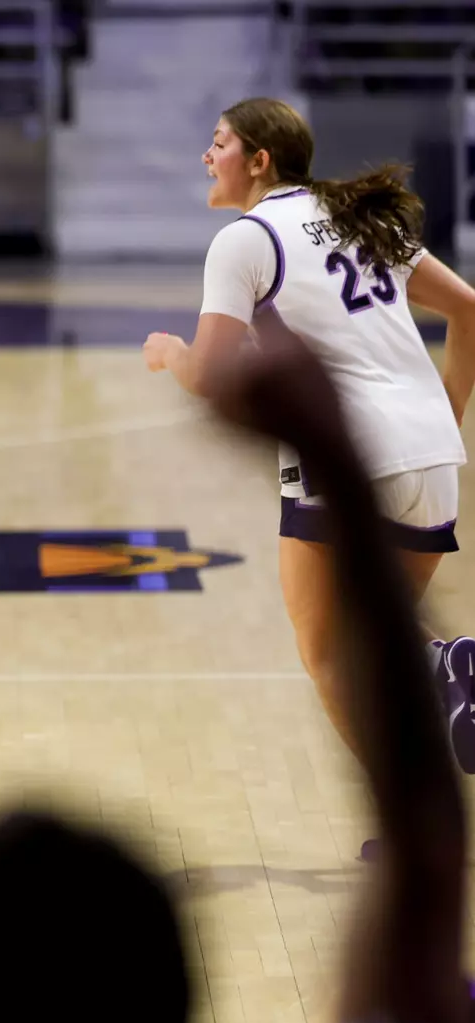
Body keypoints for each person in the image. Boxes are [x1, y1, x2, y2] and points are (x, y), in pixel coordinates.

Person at [0, 326, 475, 1023]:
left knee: (320, 646)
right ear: (185, 1013)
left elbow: (423, 851)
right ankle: (437, 657)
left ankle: (436, 658)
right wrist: (332, 454)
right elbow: (426, 856)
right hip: (418, 458)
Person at [143, 97, 475, 789]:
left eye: (219, 142)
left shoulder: (246, 238)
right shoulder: (363, 216)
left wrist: (170, 352)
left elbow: (209, 375)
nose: (207, 156)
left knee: (325, 649)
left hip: (348, 458)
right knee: (375, 632)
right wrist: (447, 411)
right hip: (434, 459)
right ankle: (445, 667)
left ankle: (413, 790)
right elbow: (468, 308)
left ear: (259, 160)